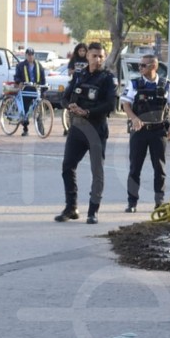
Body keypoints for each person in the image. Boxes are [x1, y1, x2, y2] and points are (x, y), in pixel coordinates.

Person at [55, 42, 117, 225]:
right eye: (94, 55)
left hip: (96, 129)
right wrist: (70, 106)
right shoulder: (79, 75)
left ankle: (93, 211)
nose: (97, 59)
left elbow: (110, 105)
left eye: (100, 56)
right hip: (77, 128)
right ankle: (71, 207)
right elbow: (65, 97)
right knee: (68, 166)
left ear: (103, 58)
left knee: (97, 171)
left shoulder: (107, 79)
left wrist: (88, 112)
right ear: (87, 56)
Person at [120, 53, 170, 213]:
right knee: (135, 167)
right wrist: (134, 119)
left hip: (158, 131)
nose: (139, 68)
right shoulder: (134, 84)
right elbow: (126, 104)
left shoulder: (166, 85)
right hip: (139, 131)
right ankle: (132, 202)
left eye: (143, 65)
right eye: (139, 65)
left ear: (154, 67)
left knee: (159, 168)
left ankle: (159, 201)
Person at [14, 48, 47, 136]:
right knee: (25, 109)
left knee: (39, 108)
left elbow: (43, 79)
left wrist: (44, 89)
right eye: (29, 55)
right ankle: (25, 128)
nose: (30, 56)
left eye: (32, 54)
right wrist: (19, 82)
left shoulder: (39, 65)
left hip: (36, 90)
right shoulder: (21, 65)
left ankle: (41, 129)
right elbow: (16, 77)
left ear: (34, 55)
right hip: (26, 89)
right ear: (26, 55)